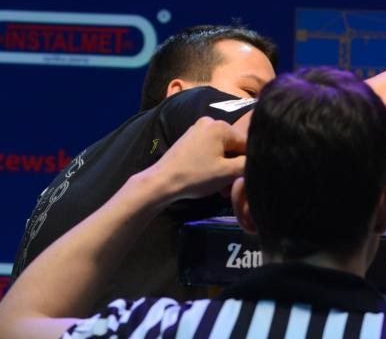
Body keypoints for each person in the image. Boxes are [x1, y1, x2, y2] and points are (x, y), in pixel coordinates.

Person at [0, 66, 386, 339]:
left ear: (244, 207)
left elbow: (15, 323)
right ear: (385, 209)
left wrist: (155, 183)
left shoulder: (159, 330)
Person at [11, 24, 280, 305]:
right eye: (250, 92)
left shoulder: (94, 166)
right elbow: (275, 129)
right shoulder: (184, 107)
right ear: (179, 92)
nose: (262, 105)